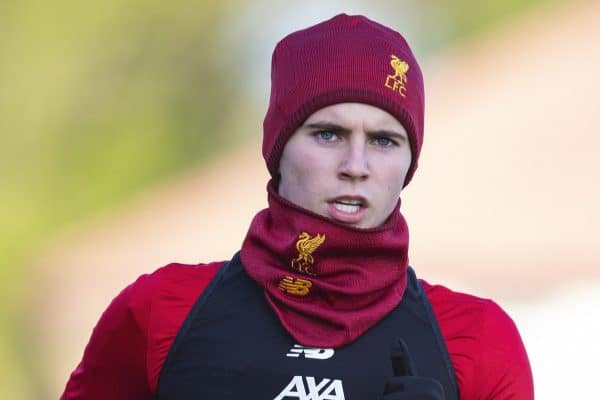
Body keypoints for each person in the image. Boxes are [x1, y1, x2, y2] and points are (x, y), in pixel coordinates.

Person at [61, 14, 533, 399]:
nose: (355, 165)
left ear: (410, 162)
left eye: (384, 140)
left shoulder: (477, 339)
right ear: (277, 147)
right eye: (328, 134)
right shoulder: (160, 311)